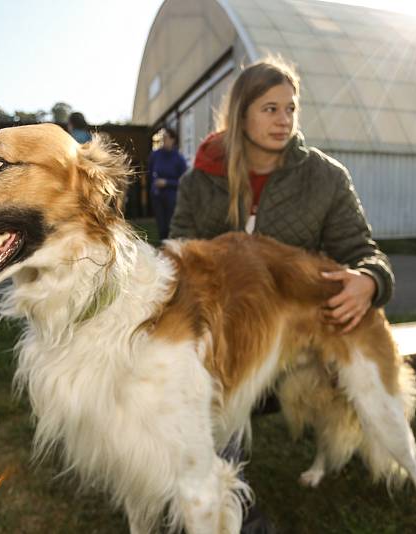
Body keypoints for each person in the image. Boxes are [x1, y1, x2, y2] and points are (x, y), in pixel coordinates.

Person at [169, 57, 394, 533]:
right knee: (204, 376)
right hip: (223, 337)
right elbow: (176, 260)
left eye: (290, 108)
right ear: (241, 114)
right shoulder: (198, 181)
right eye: (270, 108)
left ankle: (223, 506)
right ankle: (212, 503)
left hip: (295, 336)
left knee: (213, 386)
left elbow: (363, 251)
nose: (284, 120)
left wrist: (370, 281)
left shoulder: (324, 176)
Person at [148, 127, 187, 240]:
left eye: (166, 137)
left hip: (172, 197)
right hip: (157, 196)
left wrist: (167, 183)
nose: (163, 140)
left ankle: (170, 249)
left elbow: (183, 181)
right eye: (162, 138)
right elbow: (150, 173)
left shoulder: (179, 159)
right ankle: (162, 248)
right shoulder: (155, 155)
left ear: (173, 139)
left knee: (171, 225)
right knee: (161, 226)